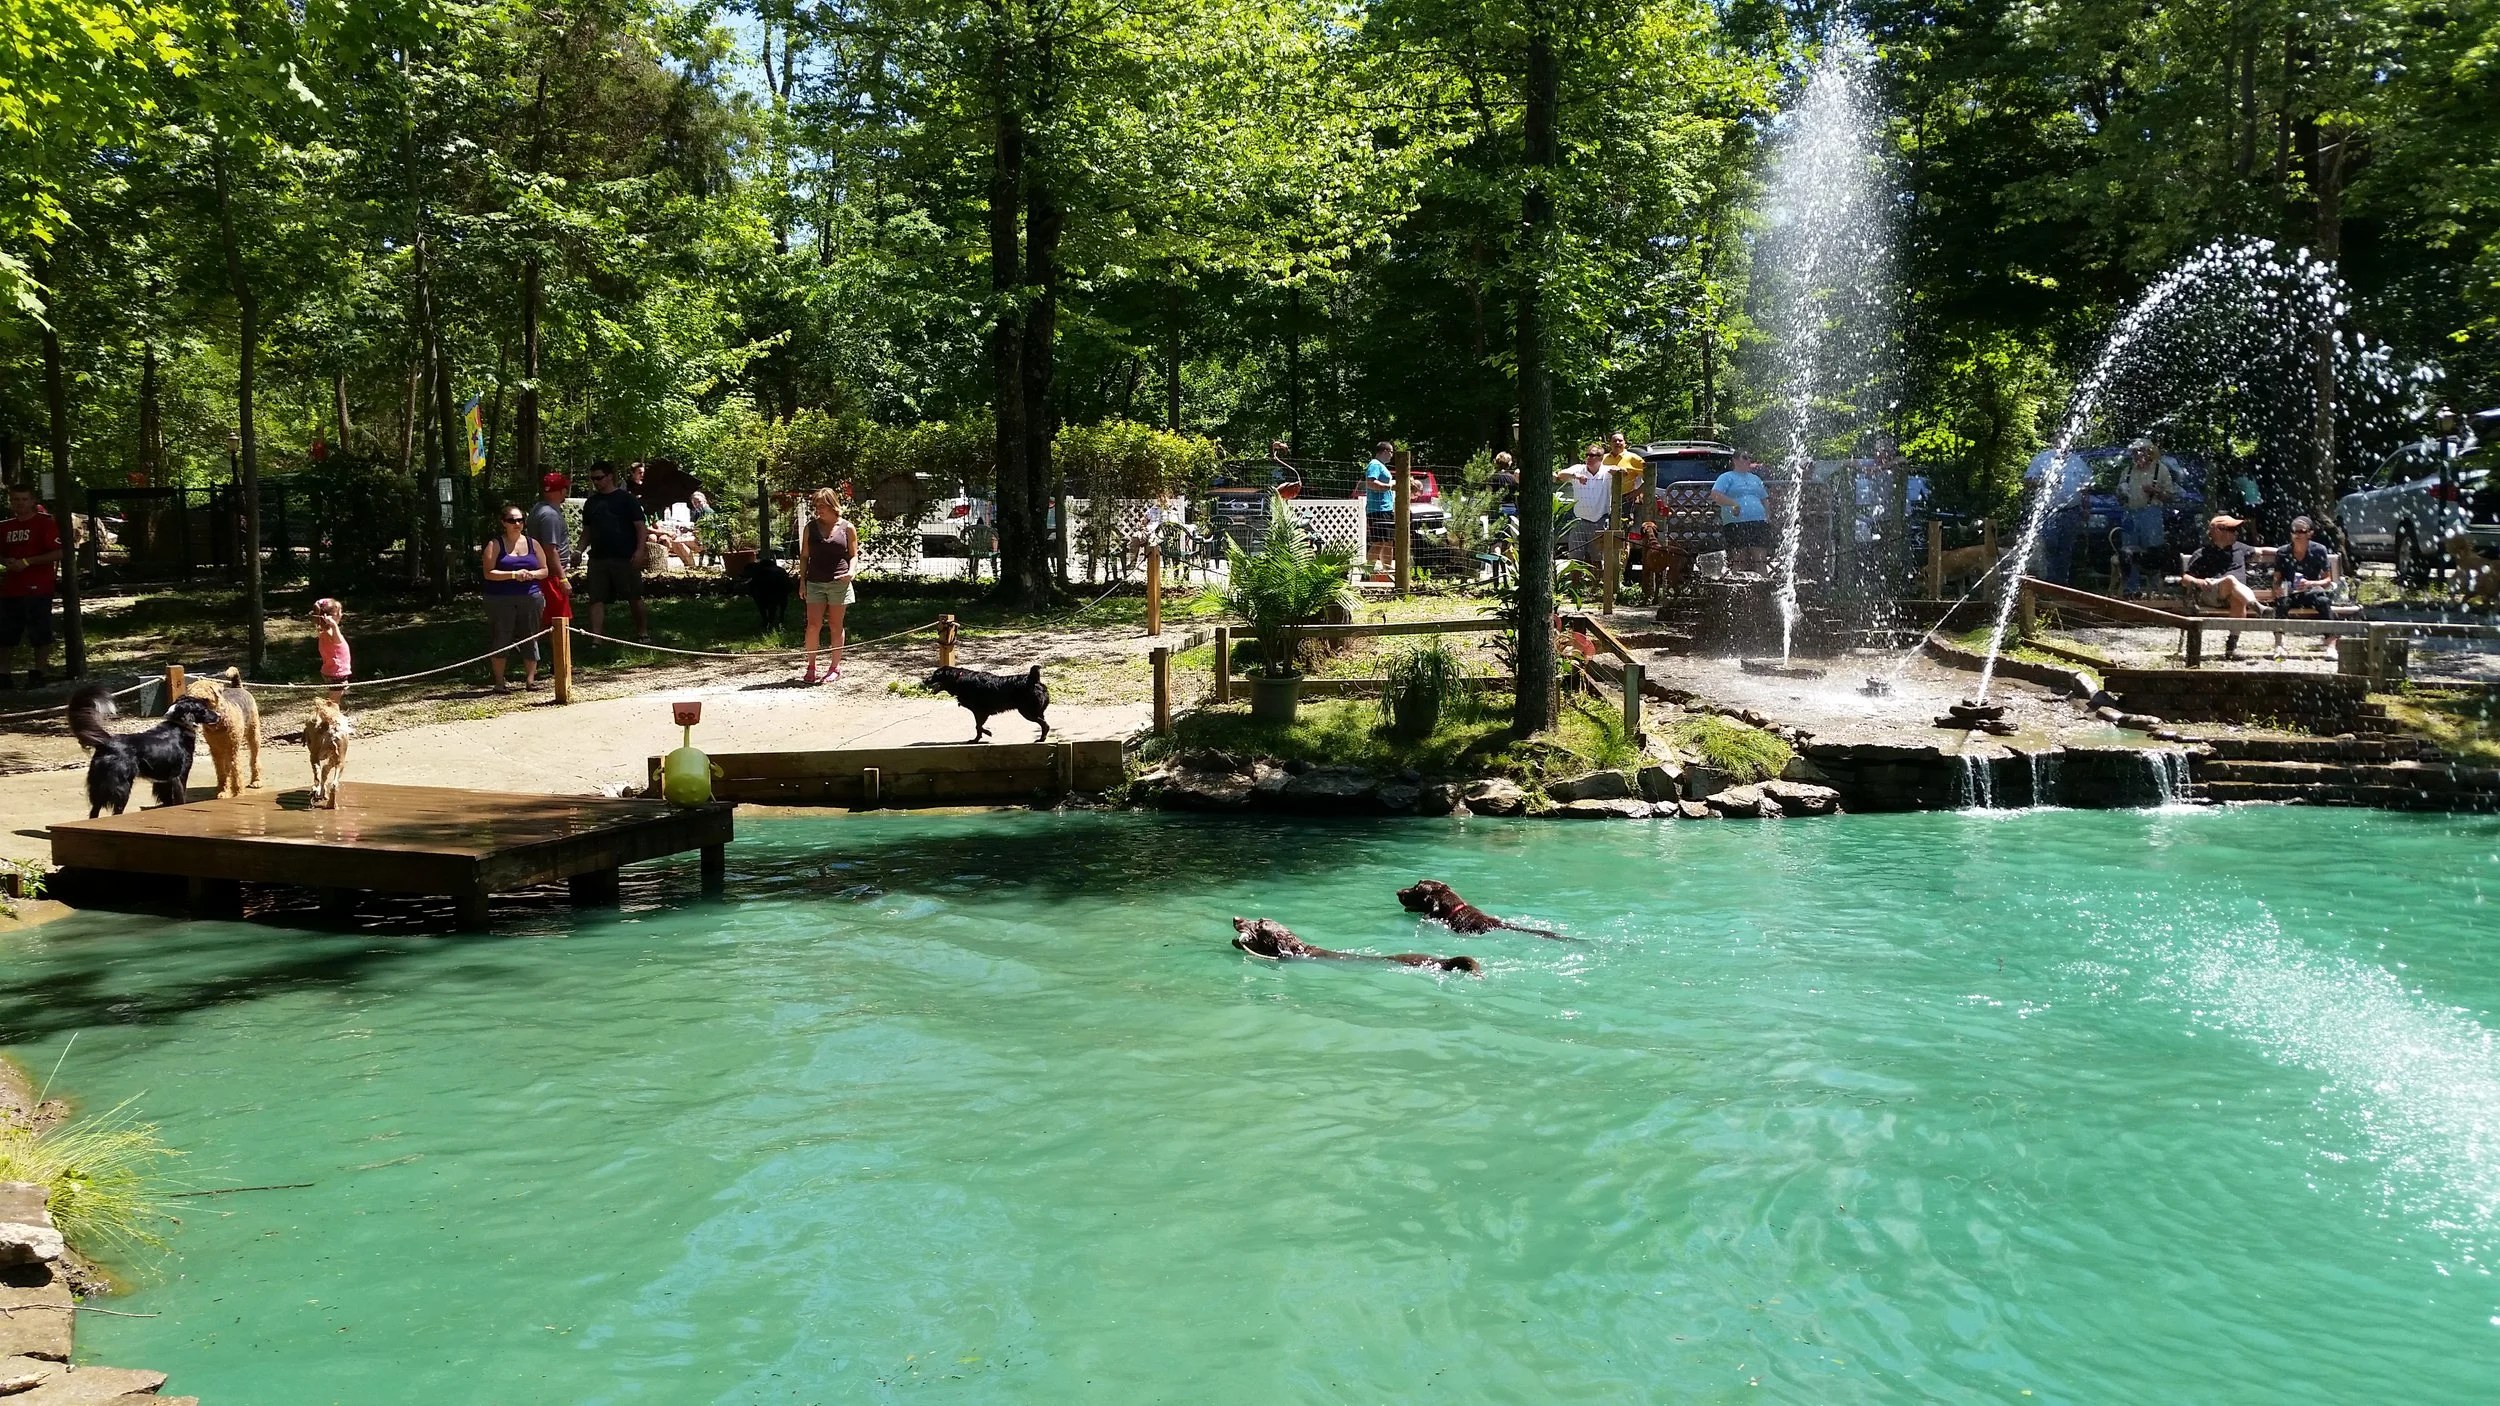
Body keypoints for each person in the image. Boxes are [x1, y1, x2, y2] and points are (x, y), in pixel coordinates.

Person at [480, 503, 549, 691]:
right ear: (503, 522)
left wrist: (531, 575)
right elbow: (488, 573)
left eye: (520, 520)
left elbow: (544, 570)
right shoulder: (495, 544)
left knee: (530, 636)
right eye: (512, 520)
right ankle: (500, 682)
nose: (516, 524)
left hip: (531, 596)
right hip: (501, 599)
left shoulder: (533, 543)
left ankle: (531, 680)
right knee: (501, 636)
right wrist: (513, 575)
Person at [0, 482, 63, 690]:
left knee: (40, 632)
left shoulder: (44, 523)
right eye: (16, 499)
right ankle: (4, 674)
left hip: (39, 587)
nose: (20, 503)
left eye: (24, 499)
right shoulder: (5, 526)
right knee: (6, 634)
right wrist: (6, 561)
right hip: (11, 589)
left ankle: (39, 672)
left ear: (33, 501)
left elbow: (59, 552)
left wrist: (27, 562)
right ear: (10, 502)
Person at [579, 461, 649, 642]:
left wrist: (640, 550)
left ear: (610, 476)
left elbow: (641, 527)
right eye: (593, 478)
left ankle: (642, 632)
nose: (596, 482)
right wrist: (578, 551)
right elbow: (586, 531)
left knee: (634, 596)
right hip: (598, 558)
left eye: (599, 477)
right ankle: (597, 638)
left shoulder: (626, 499)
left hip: (625, 557)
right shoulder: (591, 502)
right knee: (596, 598)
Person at [797, 486, 857, 684]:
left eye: (822, 506)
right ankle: (811, 666)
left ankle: (834, 667)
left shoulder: (847, 528)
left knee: (835, 625)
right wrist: (803, 582)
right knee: (813, 626)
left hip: (839, 583)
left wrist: (851, 572)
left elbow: (853, 555)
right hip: (814, 582)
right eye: (817, 506)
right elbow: (804, 556)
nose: (818, 510)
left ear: (833, 506)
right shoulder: (810, 528)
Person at [2178, 514, 2259, 658]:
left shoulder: (2240, 548)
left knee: (2237, 598)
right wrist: (2199, 582)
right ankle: (2256, 606)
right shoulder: (2202, 554)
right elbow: (2185, 578)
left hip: (2234, 595)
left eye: (2236, 529)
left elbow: (2263, 551)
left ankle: (2231, 647)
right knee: (2230, 580)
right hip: (2210, 593)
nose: (2236, 533)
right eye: (2232, 529)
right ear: (2218, 531)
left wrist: (2287, 550)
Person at [2116, 437, 2178, 597]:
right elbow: (2119, 497)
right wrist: (2121, 493)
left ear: (2149, 452)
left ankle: (2156, 590)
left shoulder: (2161, 470)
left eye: (2140, 451)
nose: (2136, 455)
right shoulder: (2128, 470)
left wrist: (2155, 491)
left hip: (2152, 514)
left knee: (2153, 551)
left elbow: (2171, 496)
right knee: (2129, 552)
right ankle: (2132, 589)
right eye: (2134, 452)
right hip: (2129, 514)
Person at [1710, 453, 1772, 574]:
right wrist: (1733, 503)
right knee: (1740, 559)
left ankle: (1765, 589)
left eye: (1749, 457)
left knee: (1760, 560)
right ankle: (1737, 589)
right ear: (1735, 460)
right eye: (1745, 457)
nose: (1748, 460)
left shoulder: (1755, 479)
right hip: (1736, 523)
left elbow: (1764, 499)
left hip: (1758, 522)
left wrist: (1768, 516)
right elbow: (1715, 495)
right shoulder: (1726, 477)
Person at [2269, 515, 2340, 620]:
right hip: (2290, 594)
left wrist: (2309, 583)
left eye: (2301, 531)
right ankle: (2278, 634)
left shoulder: (2319, 550)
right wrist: (2278, 589)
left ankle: (2331, 635)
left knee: (2323, 601)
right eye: (2294, 531)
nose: (2297, 534)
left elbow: (2327, 580)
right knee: (2282, 603)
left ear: (2309, 534)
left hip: (2311, 593)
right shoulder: (2283, 552)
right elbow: (2276, 579)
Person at [1557, 443, 1615, 565]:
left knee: (1598, 560)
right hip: (1579, 521)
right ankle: (1575, 584)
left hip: (1600, 521)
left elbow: (1625, 472)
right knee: (1574, 560)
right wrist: (1575, 476)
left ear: (1600, 458)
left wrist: (1619, 470)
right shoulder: (1578, 469)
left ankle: (1597, 584)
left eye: (1592, 455)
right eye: (1587, 455)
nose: (1588, 458)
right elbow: (1560, 475)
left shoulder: (1607, 471)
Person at [1361, 441, 1397, 573]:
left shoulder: (1381, 466)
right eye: (1391, 452)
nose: (1392, 456)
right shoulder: (1374, 464)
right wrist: (1390, 486)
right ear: (1385, 451)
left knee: (1388, 541)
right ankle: (1367, 570)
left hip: (1386, 509)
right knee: (1379, 541)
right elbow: (1370, 483)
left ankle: (1387, 569)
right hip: (1377, 509)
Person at [311, 597, 352, 704]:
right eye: (339, 613)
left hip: (335, 670)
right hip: (336, 672)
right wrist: (334, 625)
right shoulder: (329, 632)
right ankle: (330, 716)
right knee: (334, 699)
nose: (341, 615)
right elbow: (337, 641)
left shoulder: (325, 631)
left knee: (337, 696)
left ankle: (332, 715)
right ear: (331, 617)